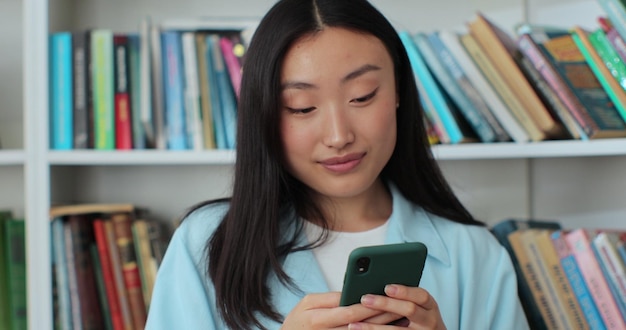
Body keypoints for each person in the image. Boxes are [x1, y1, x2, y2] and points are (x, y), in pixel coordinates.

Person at [146, 0, 529, 329]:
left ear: (398, 91)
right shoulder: (207, 245)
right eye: (302, 107)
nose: (338, 135)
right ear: (265, 116)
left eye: (362, 97)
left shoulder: (475, 255)